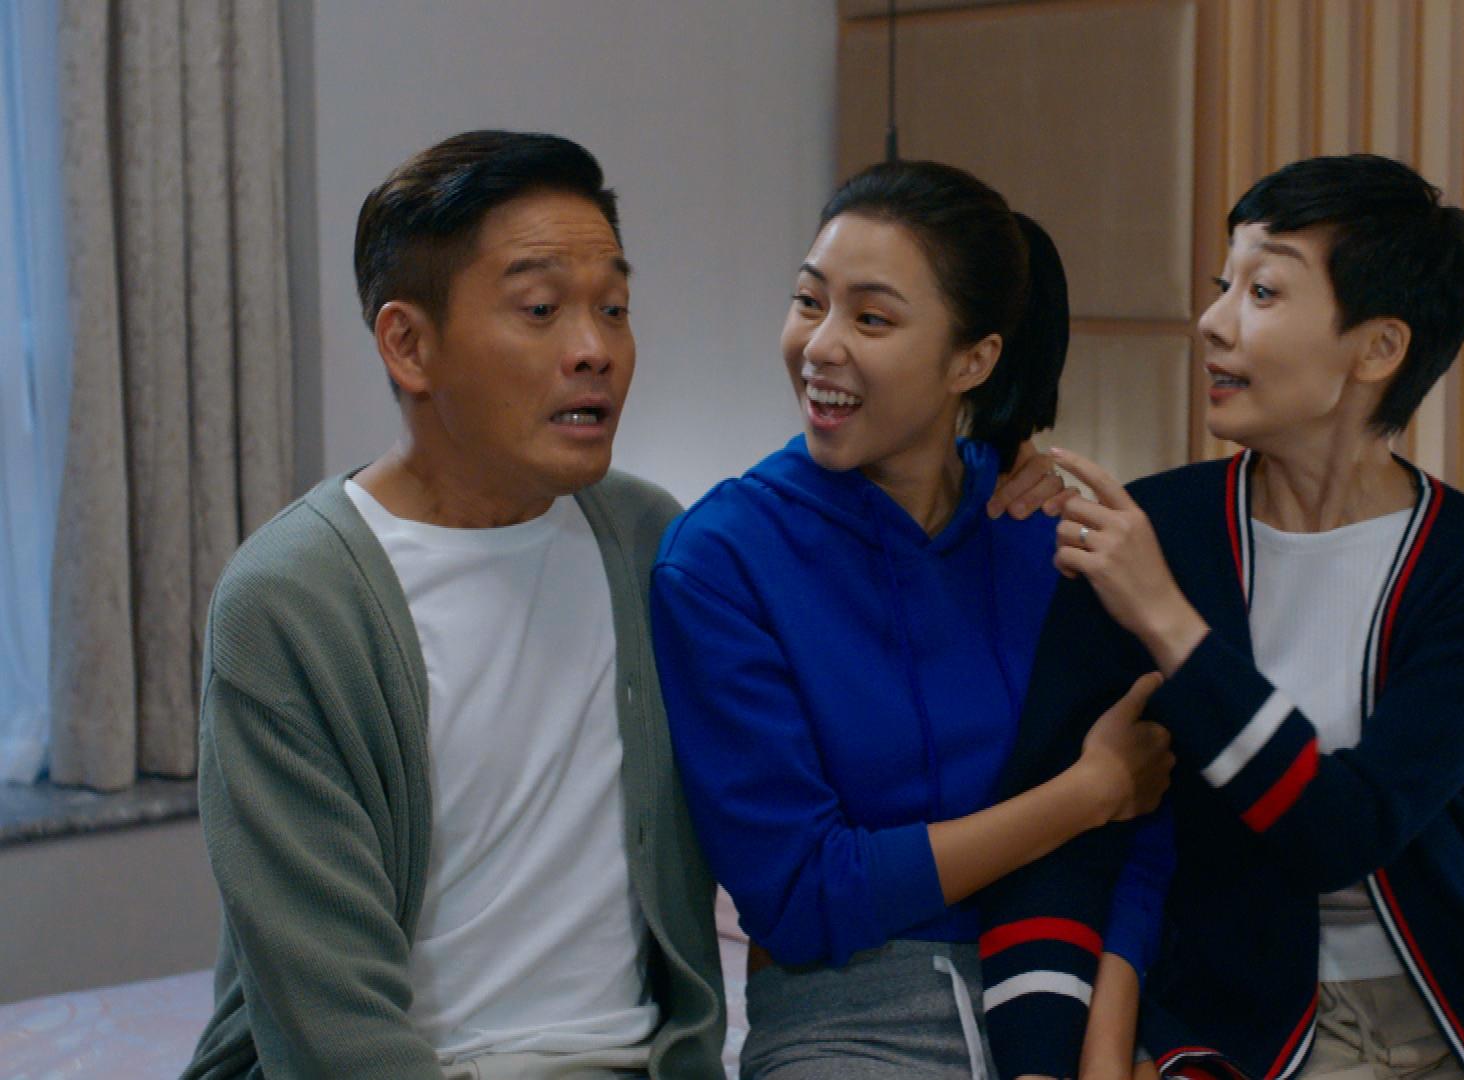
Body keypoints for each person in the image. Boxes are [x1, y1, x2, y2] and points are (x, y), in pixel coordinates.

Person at [980, 154, 1464, 1080]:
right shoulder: (1151, 529)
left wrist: (1168, 621)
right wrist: (1042, 1062)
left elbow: (1345, 831)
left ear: (1377, 349)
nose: (1213, 322)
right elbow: (1057, 836)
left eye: (1262, 292)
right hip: (1235, 1023)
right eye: (1222, 285)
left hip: (1459, 1017)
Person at [182, 131, 725, 1080]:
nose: (595, 350)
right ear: (409, 345)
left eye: (614, 308)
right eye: (541, 309)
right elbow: (328, 1021)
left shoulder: (648, 540)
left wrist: (986, 465)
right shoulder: (291, 603)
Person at [650, 159, 1177, 1080]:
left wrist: (1108, 1039)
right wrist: (1083, 795)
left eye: (871, 318)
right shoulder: (722, 559)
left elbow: (1150, 809)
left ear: (973, 359)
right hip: (849, 1025)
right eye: (809, 302)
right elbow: (799, 896)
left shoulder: (1048, 534)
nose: (820, 345)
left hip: (1075, 990)